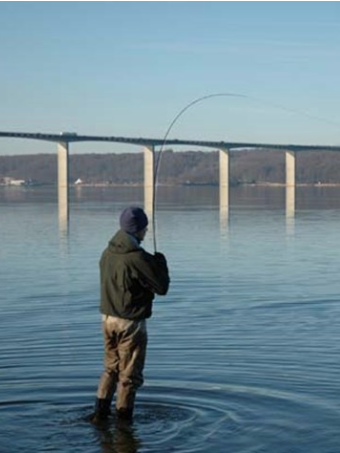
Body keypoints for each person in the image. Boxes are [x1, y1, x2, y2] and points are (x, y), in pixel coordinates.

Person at [91, 206, 170, 423]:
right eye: (145, 228)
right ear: (139, 230)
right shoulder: (137, 257)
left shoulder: (107, 253)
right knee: (129, 378)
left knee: (110, 369)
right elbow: (161, 287)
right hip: (130, 324)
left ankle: (99, 416)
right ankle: (124, 425)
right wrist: (160, 263)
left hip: (107, 320)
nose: (146, 233)